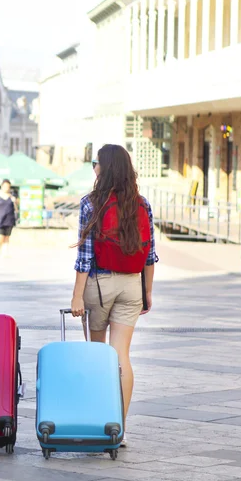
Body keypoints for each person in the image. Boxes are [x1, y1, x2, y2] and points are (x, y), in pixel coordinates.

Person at [70, 144, 158, 447]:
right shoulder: (142, 203)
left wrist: (76, 298)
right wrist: (146, 293)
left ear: (103, 168)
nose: (93, 166)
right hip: (132, 284)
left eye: (96, 163)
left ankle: (98, 420)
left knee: (99, 354)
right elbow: (150, 254)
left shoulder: (91, 203)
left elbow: (84, 257)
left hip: (99, 286)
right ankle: (118, 428)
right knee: (122, 355)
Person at [0, 179, 17, 257]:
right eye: (5, 186)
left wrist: (14, 201)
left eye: (8, 186)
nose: (6, 188)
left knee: (7, 236)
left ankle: (5, 251)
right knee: (1, 235)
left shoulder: (12, 196)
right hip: (0, 219)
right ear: (2, 186)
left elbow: (16, 209)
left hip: (9, 219)